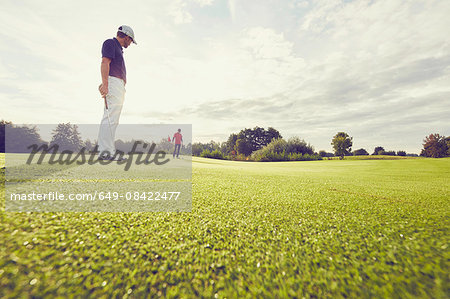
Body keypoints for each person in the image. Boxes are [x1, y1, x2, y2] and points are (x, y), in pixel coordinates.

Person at [98, 25, 137, 160]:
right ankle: (105, 152)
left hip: (117, 85)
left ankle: (108, 151)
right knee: (110, 118)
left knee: (113, 120)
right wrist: (105, 84)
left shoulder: (118, 49)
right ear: (126, 37)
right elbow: (105, 63)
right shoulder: (110, 43)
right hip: (114, 83)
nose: (130, 43)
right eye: (131, 40)